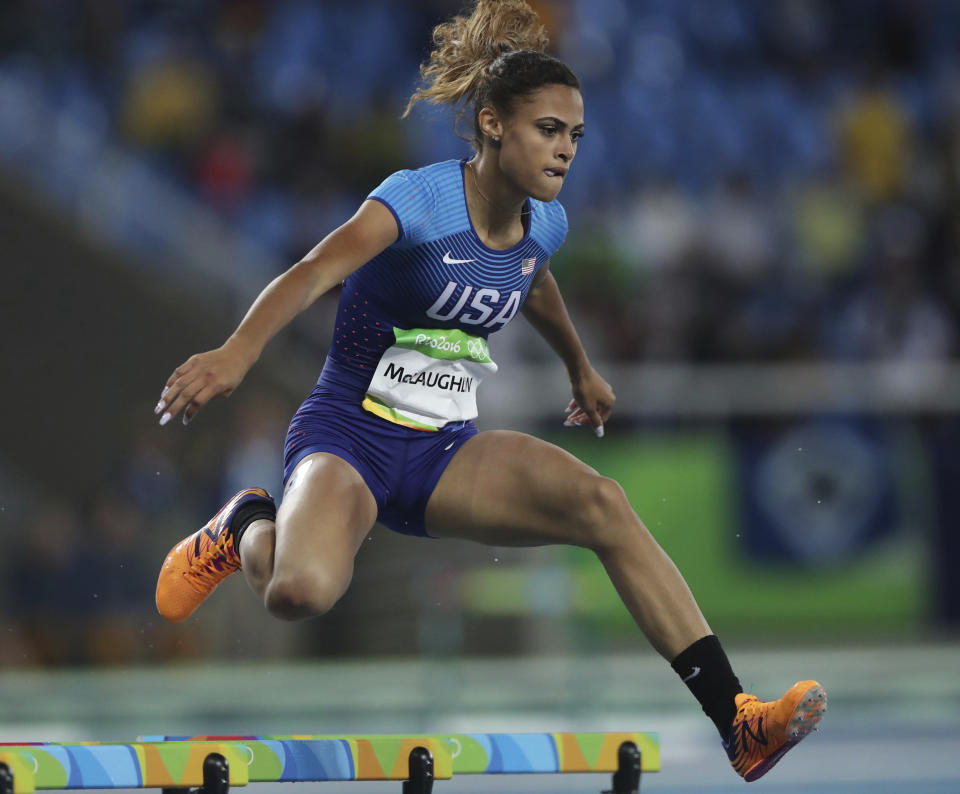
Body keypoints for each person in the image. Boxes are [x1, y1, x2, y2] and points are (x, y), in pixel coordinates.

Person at [152, 0, 825, 781]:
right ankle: (246, 527)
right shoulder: (416, 200)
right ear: (493, 123)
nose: (566, 149)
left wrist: (580, 366)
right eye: (548, 129)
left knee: (602, 504)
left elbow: (532, 283)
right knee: (299, 593)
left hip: (444, 453)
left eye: (576, 135)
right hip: (349, 438)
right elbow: (314, 271)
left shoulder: (547, 224)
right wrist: (238, 352)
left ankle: (737, 720)